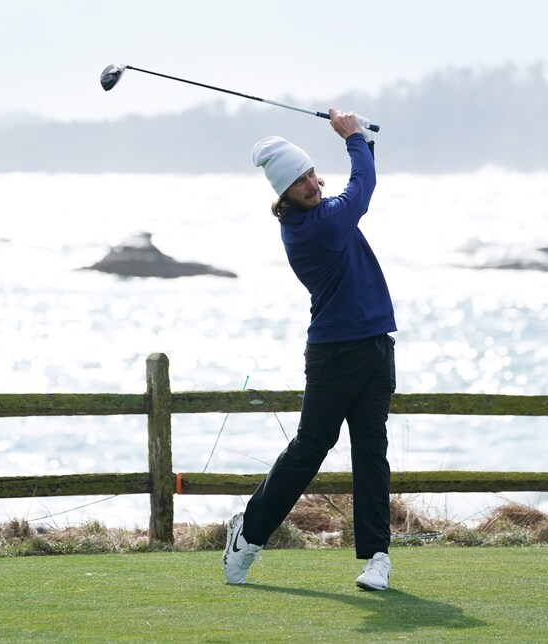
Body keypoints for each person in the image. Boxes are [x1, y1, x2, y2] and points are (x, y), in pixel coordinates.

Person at [222, 109, 397, 591]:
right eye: (298, 183)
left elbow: (358, 187)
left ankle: (377, 558)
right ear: (284, 195)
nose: (310, 184)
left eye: (309, 174)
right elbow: (362, 188)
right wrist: (353, 136)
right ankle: (248, 536)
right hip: (334, 355)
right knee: (309, 448)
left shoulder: (326, 215)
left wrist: (362, 141)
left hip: (377, 345)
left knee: (371, 449)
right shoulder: (314, 228)